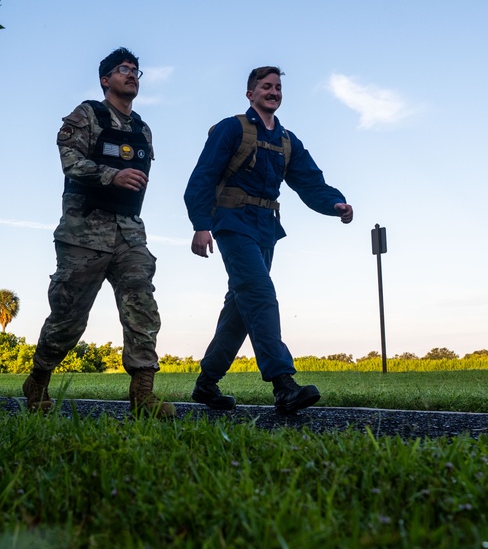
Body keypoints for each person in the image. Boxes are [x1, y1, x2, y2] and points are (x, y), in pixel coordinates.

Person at [184, 66, 354, 414]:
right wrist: (201, 224)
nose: (273, 91)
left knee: (240, 308)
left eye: (277, 87)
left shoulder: (287, 141)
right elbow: (201, 177)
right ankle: (282, 384)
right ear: (251, 94)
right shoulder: (233, 128)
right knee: (260, 294)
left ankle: (206, 383)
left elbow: (309, 181)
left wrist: (335, 203)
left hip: (265, 229)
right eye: (265, 86)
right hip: (232, 224)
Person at [21, 47, 174, 418]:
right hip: (83, 233)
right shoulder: (87, 114)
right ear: (106, 79)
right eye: (124, 69)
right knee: (68, 318)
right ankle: (38, 379)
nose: (132, 74)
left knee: (142, 306)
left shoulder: (142, 129)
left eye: (137, 70)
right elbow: (69, 161)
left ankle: (142, 395)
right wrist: (112, 175)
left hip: (129, 234)